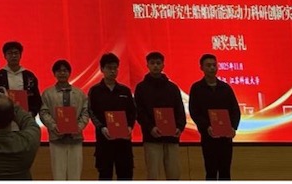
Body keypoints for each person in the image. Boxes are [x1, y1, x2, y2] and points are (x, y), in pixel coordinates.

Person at [134, 51, 186, 180]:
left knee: (174, 174)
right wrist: (151, 127)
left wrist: (179, 127)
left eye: (158, 63)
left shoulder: (172, 88)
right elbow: (139, 112)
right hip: (151, 138)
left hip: (172, 137)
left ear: (163, 65)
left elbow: (180, 110)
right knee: (153, 175)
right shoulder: (141, 88)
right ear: (147, 65)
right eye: (152, 63)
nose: (155, 66)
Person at [188, 54, 241, 180]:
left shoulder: (225, 88)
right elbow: (194, 111)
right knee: (211, 171)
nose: (212, 68)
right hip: (208, 137)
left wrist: (233, 127)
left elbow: (235, 110)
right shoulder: (197, 88)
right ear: (201, 68)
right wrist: (206, 127)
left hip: (225, 138)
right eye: (208, 65)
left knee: (225, 172)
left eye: (214, 65)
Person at [87, 52, 137, 180]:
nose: (113, 71)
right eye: (109, 68)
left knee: (126, 174)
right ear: (102, 69)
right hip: (104, 140)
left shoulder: (125, 90)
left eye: (115, 68)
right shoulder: (95, 91)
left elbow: (132, 112)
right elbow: (91, 112)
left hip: (123, 141)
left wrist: (130, 127)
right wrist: (102, 128)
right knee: (105, 175)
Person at [39, 59, 90, 180]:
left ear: (69, 73)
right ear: (54, 73)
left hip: (75, 138)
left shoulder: (79, 93)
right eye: (59, 71)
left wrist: (79, 127)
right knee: (58, 175)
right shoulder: (47, 93)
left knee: (75, 175)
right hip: (57, 138)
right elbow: (43, 112)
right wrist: (53, 126)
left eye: (65, 70)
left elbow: (86, 112)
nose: (62, 73)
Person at [0, 41, 42, 117]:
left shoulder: (29, 76)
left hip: (25, 116)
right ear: (5, 56)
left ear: (20, 55)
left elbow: (36, 98)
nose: (13, 56)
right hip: (3, 115)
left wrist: (32, 112)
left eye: (16, 53)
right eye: (10, 53)